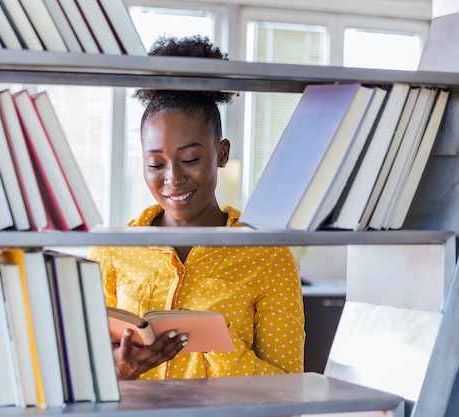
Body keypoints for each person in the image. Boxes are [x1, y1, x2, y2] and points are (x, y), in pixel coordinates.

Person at [88, 34, 305, 381]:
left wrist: (218, 349)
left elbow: (290, 390)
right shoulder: (114, 248)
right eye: (156, 164)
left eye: (190, 159)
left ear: (221, 153)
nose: (173, 179)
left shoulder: (267, 254)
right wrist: (115, 370)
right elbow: (77, 372)